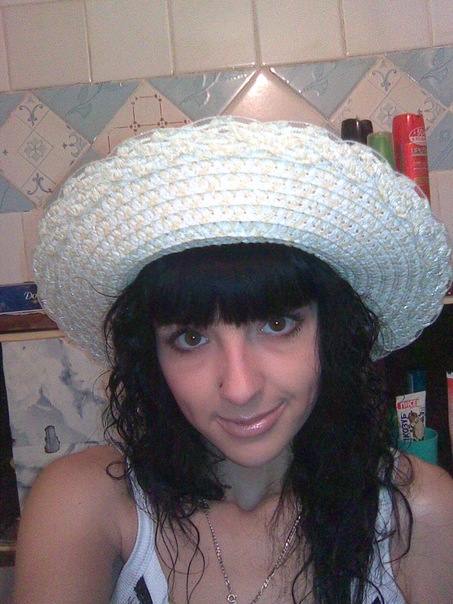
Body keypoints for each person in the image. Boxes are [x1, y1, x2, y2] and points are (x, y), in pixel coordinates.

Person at [13, 117, 453, 604]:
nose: (240, 389)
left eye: (277, 324)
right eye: (191, 337)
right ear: (150, 354)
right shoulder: (85, 505)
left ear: (332, 329)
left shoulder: (420, 514)